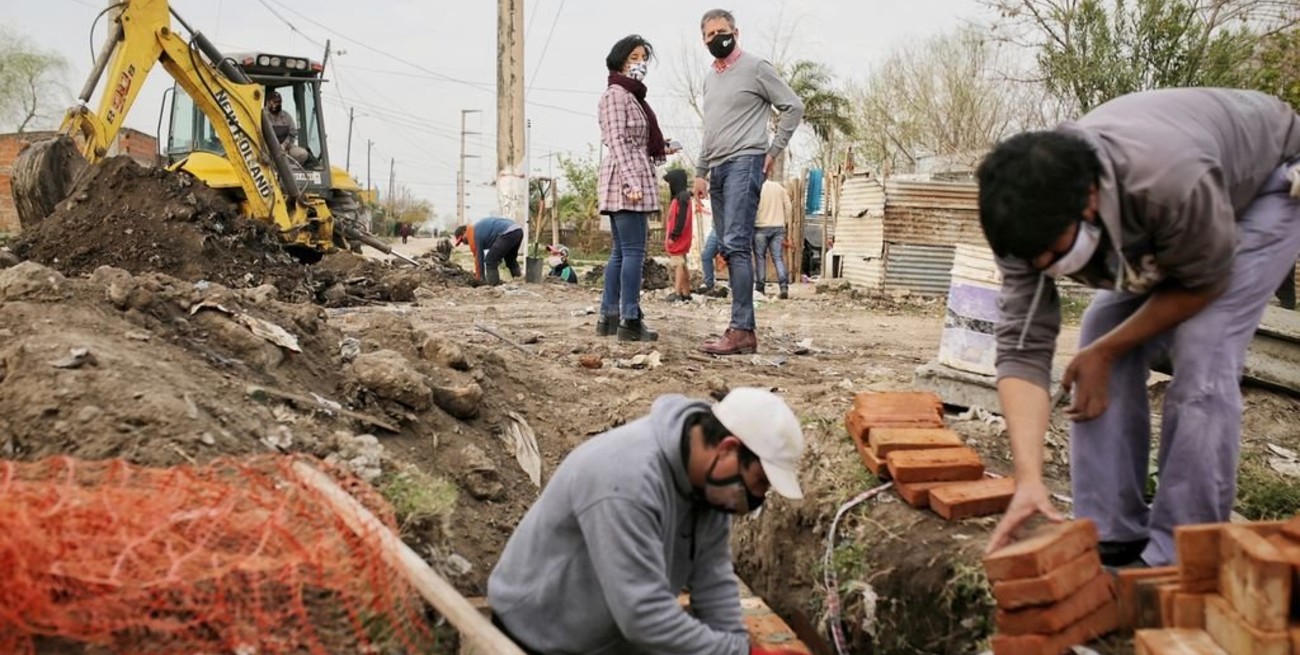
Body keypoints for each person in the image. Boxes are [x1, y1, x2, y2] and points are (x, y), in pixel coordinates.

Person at [977, 88, 1300, 568]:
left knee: (1204, 345)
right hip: (1174, 207)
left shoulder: (1167, 181)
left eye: (1052, 253)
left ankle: (1183, 551)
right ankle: (1110, 532)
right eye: (1034, 260)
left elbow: (1204, 283)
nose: (1045, 266)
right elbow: (1022, 350)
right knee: (1099, 327)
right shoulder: (1022, 223)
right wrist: (1028, 480)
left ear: (1088, 199)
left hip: (1269, 183)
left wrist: (1107, 353)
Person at [486, 387, 807, 655]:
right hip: (538, 637)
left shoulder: (709, 483)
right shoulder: (626, 480)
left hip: (614, 637)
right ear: (727, 449)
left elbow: (713, 578)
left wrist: (737, 645)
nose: (757, 496)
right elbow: (644, 616)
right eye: (760, 481)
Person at [693, 9, 803, 355]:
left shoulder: (756, 67)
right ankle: (742, 330)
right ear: (703, 39)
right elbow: (710, 130)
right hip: (719, 168)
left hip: (746, 162)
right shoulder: (710, 78)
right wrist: (700, 171)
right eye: (710, 35)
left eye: (722, 32)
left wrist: (772, 151)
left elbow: (793, 106)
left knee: (738, 243)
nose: (716, 39)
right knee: (727, 246)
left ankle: (742, 330)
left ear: (736, 32)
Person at [597, 35, 674, 342]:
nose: (639, 63)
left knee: (621, 252)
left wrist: (663, 148)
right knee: (633, 252)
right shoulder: (616, 95)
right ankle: (630, 318)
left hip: (630, 173)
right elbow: (616, 141)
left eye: (643, 57)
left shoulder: (632, 97)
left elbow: (635, 140)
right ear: (619, 60)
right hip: (625, 179)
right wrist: (631, 182)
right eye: (634, 57)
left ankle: (610, 315)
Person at [453, 217, 524, 286]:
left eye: (462, 240)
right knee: (510, 260)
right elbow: (498, 251)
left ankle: (493, 286)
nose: (464, 243)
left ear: (464, 232)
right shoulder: (479, 229)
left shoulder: (471, 233)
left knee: (490, 260)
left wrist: (479, 279)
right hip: (517, 230)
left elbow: (478, 259)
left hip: (508, 232)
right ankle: (519, 280)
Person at [754, 176, 792, 299]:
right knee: (777, 257)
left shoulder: (756, 187)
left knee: (760, 257)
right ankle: (783, 286)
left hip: (760, 227)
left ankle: (760, 287)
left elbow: (751, 207)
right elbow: (789, 207)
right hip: (778, 227)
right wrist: (784, 222)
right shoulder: (779, 188)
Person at [664, 168, 695, 302]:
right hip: (681, 236)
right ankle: (686, 292)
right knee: (682, 263)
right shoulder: (683, 197)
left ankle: (677, 293)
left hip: (678, 237)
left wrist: (674, 235)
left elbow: (682, 218)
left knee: (678, 264)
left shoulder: (682, 198)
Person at [265, 90, 308, 165]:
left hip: (285, 149)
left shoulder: (286, 117)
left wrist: (284, 146)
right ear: (268, 102)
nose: (275, 105)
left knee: (303, 154)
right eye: (273, 102)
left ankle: (289, 169)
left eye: (278, 102)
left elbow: (293, 133)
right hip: (268, 149)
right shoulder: (263, 116)